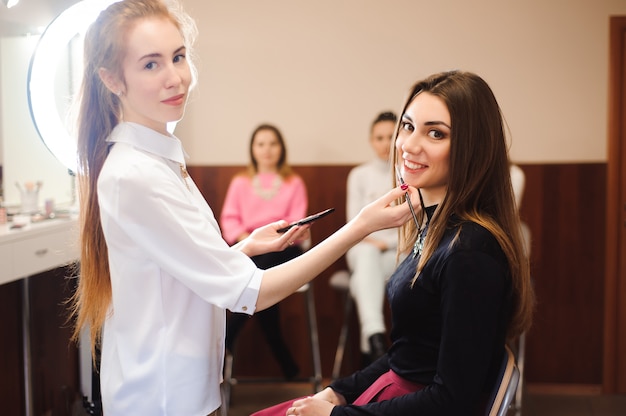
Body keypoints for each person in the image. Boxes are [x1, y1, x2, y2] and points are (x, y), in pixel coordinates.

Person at [67, 1, 417, 415]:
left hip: (183, 385)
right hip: (162, 395)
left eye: (178, 57)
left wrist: (245, 247)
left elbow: (181, 272)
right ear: (112, 79)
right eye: (150, 65)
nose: (175, 77)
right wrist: (359, 227)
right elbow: (251, 292)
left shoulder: (159, 162)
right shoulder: (135, 176)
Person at [252, 70, 536, 415]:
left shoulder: (470, 252)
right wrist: (338, 392)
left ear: (471, 148)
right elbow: (407, 354)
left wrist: (335, 414)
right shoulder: (435, 230)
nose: (408, 145)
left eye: (435, 133)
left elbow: (452, 400)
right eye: (408, 126)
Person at [221, 124, 308, 380]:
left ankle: (224, 341)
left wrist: (269, 241)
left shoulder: (294, 182)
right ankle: (287, 364)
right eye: (261, 144)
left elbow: (297, 223)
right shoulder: (240, 183)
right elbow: (229, 220)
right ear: (252, 149)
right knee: (258, 278)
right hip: (249, 250)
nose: (267, 149)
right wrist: (250, 241)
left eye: (273, 143)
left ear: (281, 148)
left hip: (284, 250)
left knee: (257, 272)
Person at [345, 111, 401, 363]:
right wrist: (371, 242)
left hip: (397, 252)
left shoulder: (408, 174)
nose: (385, 143)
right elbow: (353, 225)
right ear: (371, 140)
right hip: (361, 247)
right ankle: (377, 337)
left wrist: (386, 243)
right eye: (379, 137)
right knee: (367, 256)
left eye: (391, 136)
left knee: (362, 281)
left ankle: (373, 345)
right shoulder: (359, 175)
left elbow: (416, 227)